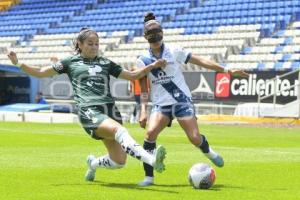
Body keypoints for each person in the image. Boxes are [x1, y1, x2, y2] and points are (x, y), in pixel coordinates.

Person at [7, 27, 167, 182]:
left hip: (110, 110)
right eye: (90, 44)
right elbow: (41, 72)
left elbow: (132, 76)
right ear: (80, 44)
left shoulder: (105, 62)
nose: (94, 47)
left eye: (96, 44)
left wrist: (152, 66)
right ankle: (152, 161)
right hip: (89, 110)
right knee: (120, 131)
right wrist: (18, 63)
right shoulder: (70, 62)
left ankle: (93, 164)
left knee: (119, 161)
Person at [136, 12, 249, 187]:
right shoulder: (142, 60)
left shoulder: (174, 51)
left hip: (181, 100)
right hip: (161, 104)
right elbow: (144, 89)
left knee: (195, 138)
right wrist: (143, 111)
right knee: (150, 134)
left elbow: (201, 60)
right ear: (146, 39)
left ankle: (209, 153)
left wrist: (226, 70)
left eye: (158, 37)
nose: (156, 42)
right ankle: (149, 177)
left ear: (162, 34)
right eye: (152, 39)